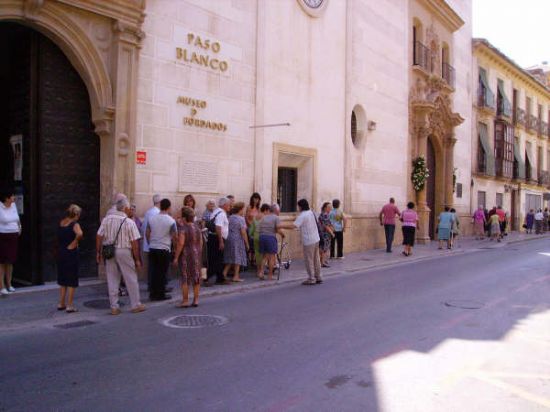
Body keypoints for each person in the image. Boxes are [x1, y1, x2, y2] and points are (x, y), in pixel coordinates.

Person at [96, 197, 146, 315]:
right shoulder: (129, 222)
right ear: (125, 208)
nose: (130, 210)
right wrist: (137, 259)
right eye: (129, 208)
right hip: (124, 251)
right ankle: (135, 304)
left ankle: (114, 306)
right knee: (130, 277)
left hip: (109, 250)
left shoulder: (107, 219)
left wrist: (98, 252)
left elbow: (99, 236)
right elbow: (134, 243)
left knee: (112, 278)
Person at [281, 199, 322, 286]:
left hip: (309, 240)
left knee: (309, 260)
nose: (297, 207)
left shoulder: (303, 215)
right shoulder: (311, 212)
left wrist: (281, 225)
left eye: (298, 206)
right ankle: (318, 276)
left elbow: (294, 225)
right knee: (316, 259)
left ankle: (311, 278)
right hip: (316, 238)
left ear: (301, 206)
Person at [146, 198, 177, 301]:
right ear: (169, 207)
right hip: (164, 248)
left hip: (153, 247)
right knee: (162, 272)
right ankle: (160, 294)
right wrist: (174, 247)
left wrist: (150, 242)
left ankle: (153, 293)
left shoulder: (152, 219)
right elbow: (174, 236)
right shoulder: (171, 221)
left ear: (160, 206)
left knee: (154, 271)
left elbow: (147, 232)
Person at [173, 207, 202, 308]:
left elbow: (181, 243)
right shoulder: (197, 228)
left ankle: (185, 300)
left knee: (185, 277)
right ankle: (196, 300)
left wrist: (176, 257)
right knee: (196, 276)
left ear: (184, 218)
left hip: (186, 254)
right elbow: (201, 243)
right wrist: (198, 252)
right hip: (196, 254)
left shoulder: (183, 229)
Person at [56, 204, 83, 313]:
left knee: (63, 278)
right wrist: (74, 243)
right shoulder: (74, 224)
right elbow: (80, 234)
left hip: (61, 252)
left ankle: (61, 303)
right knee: (71, 278)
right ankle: (70, 305)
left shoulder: (62, 222)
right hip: (71, 253)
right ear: (76, 214)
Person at [0, 188, 21, 295]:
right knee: (2, 261)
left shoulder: (13, 206)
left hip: (13, 235)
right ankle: (1, 286)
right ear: (6, 198)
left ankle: (9, 284)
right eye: (12, 196)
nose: (14, 197)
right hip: (3, 235)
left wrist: (19, 228)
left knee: (10, 261)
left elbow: (17, 219)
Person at [205, 197, 230, 286]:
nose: (229, 206)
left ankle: (220, 278)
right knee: (216, 259)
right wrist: (221, 241)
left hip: (212, 237)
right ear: (224, 205)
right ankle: (206, 278)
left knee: (217, 259)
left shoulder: (215, 211)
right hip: (217, 238)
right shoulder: (222, 214)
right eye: (228, 205)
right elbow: (218, 227)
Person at [222, 202, 249, 282]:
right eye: (243, 209)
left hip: (229, 238)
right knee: (238, 258)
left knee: (230, 257)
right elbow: (243, 232)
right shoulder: (241, 219)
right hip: (237, 239)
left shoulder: (230, 217)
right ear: (240, 209)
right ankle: (236, 276)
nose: (243, 211)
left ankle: (224, 273)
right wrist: (247, 243)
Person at [258, 203, 284, 280]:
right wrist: (283, 234)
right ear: (276, 210)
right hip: (270, 237)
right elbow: (278, 229)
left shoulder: (264, 217)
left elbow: (259, 228)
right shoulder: (276, 218)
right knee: (272, 257)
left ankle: (261, 273)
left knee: (264, 257)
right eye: (279, 210)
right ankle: (270, 275)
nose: (279, 212)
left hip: (262, 237)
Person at [141, 194, 161, 291]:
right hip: (154, 243)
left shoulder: (148, 212)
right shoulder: (157, 213)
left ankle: (151, 284)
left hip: (149, 243)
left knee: (152, 266)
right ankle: (154, 286)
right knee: (156, 266)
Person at [245, 192, 262, 267]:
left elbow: (260, 218)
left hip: (257, 228)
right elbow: (246, 218)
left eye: (257, 199)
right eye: (255, 198)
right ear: (252, 199)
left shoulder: (259, 208)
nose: (256, 200)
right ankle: (250, 260)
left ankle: (254, 260)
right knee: (251, 243)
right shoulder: (249, 207)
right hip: (250, 228)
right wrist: (251, 226)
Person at [249, 204, 265, 279]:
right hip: (263, 236)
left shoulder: (255, 218)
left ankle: (258, 271)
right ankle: (261, 271)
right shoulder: (265, 218)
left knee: (257, 254)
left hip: (255, 237)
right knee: (264, 255)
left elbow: (251, 230)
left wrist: (252, 235)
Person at [318, 202, 335, 268]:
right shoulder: (325, 215)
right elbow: (326, 226)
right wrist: (332, 233)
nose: (330, 208)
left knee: (323, 248)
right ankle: (322, 263)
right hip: (325, 234)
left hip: (323, 234)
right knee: (324, 248)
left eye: (331, 207)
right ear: (325, 208)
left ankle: (322, 261)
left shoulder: (324, 214)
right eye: (329, 207)